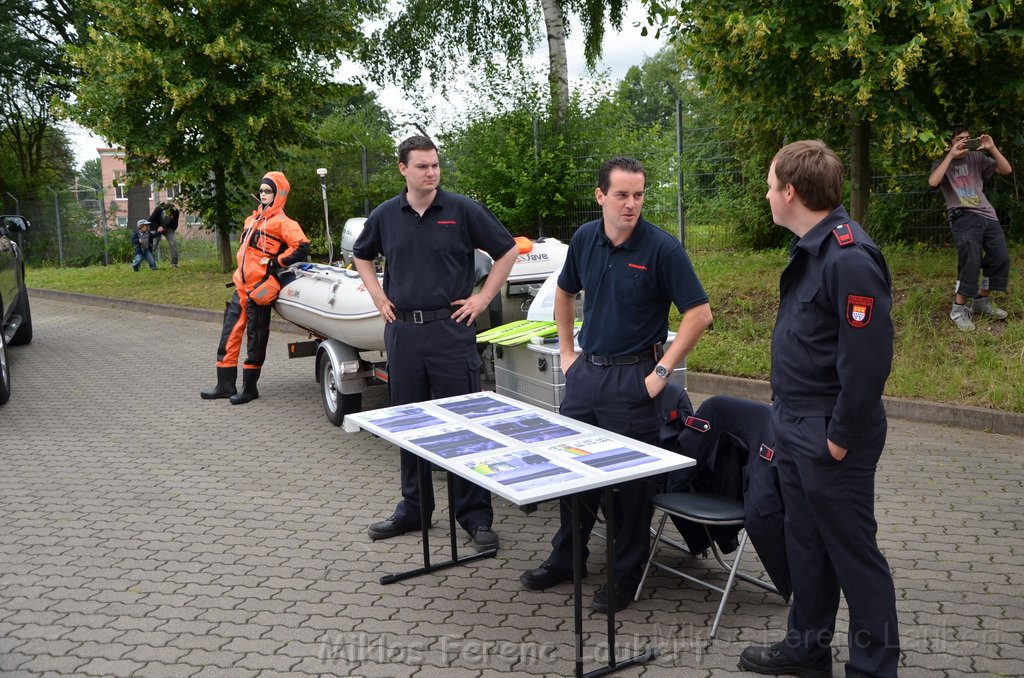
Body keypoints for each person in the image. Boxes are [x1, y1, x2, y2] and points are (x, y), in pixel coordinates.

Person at [519, 156, 713, 614]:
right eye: (622, 195)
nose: (631, 204)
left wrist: (660, 374)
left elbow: (699, 314)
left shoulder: (661, 248)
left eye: (639, 195)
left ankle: (626, 575)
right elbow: (565, 293)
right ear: (601, 196)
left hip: (634, 381)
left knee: (629, 488)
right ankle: (568, 559)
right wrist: (568, 355)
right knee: (574, 473)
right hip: (587, 375)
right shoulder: (585, 240)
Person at [740, 140, 899, 678]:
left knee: (854, 556)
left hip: (829, 432)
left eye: (769, 185)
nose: (766, 194)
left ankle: (873, 668)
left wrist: (840, 437)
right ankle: (807, 649)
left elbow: (868, 362)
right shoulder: (812, 247)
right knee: (805, 547)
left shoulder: (849, 257)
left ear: (790, 190)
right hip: (793, 422)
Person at [352, 136, 517, 552]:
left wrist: (482, 298)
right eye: (423, 166)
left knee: (464, 426)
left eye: (436, 166)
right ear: (403, 169)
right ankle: (414, 508)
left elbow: (508, 250)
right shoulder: (387, 215)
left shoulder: (462, 210)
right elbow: (361, 255)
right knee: (410, 426)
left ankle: (475, 517)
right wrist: (377, 294)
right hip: (404, 333)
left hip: (450, 331)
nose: (432, 173)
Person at [200, 171, 309, 404]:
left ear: (278, 194)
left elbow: (301, 246)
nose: (263, 194)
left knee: (255, 338)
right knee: (229, 335)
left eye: (268, 190)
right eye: (261, 190)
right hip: (241, 287)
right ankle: (225, 385)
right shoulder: (251, 220)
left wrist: (276, 262)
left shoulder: (284, 223)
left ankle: (250, 388)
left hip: (260, 288)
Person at [927, 126, 1013, 331]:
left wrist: (991, 147)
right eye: (959, 139)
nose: (965, 142)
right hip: (962, 216)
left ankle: (981, 302)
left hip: (987, 215)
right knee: (971, 260)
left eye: (967, 138)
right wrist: (951, 155)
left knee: (1000, 257)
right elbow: (933, 182)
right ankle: (958, 309)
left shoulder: (977, 158)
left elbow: (1006, 170)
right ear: (951, 143)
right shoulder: (942, 163)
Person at [149, 202, 181, 268]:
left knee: (173, 242)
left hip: (168, 228)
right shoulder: (158, 210)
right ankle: (150, 262)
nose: (171, 216)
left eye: (172, 215)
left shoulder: (176, 212)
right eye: (170, 214)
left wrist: (166, 227)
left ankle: (174, 263)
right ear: (165, 212)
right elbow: (150, 221)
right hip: (156, 228)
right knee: (154, 244)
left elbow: (175, 225)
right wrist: (158, 227)